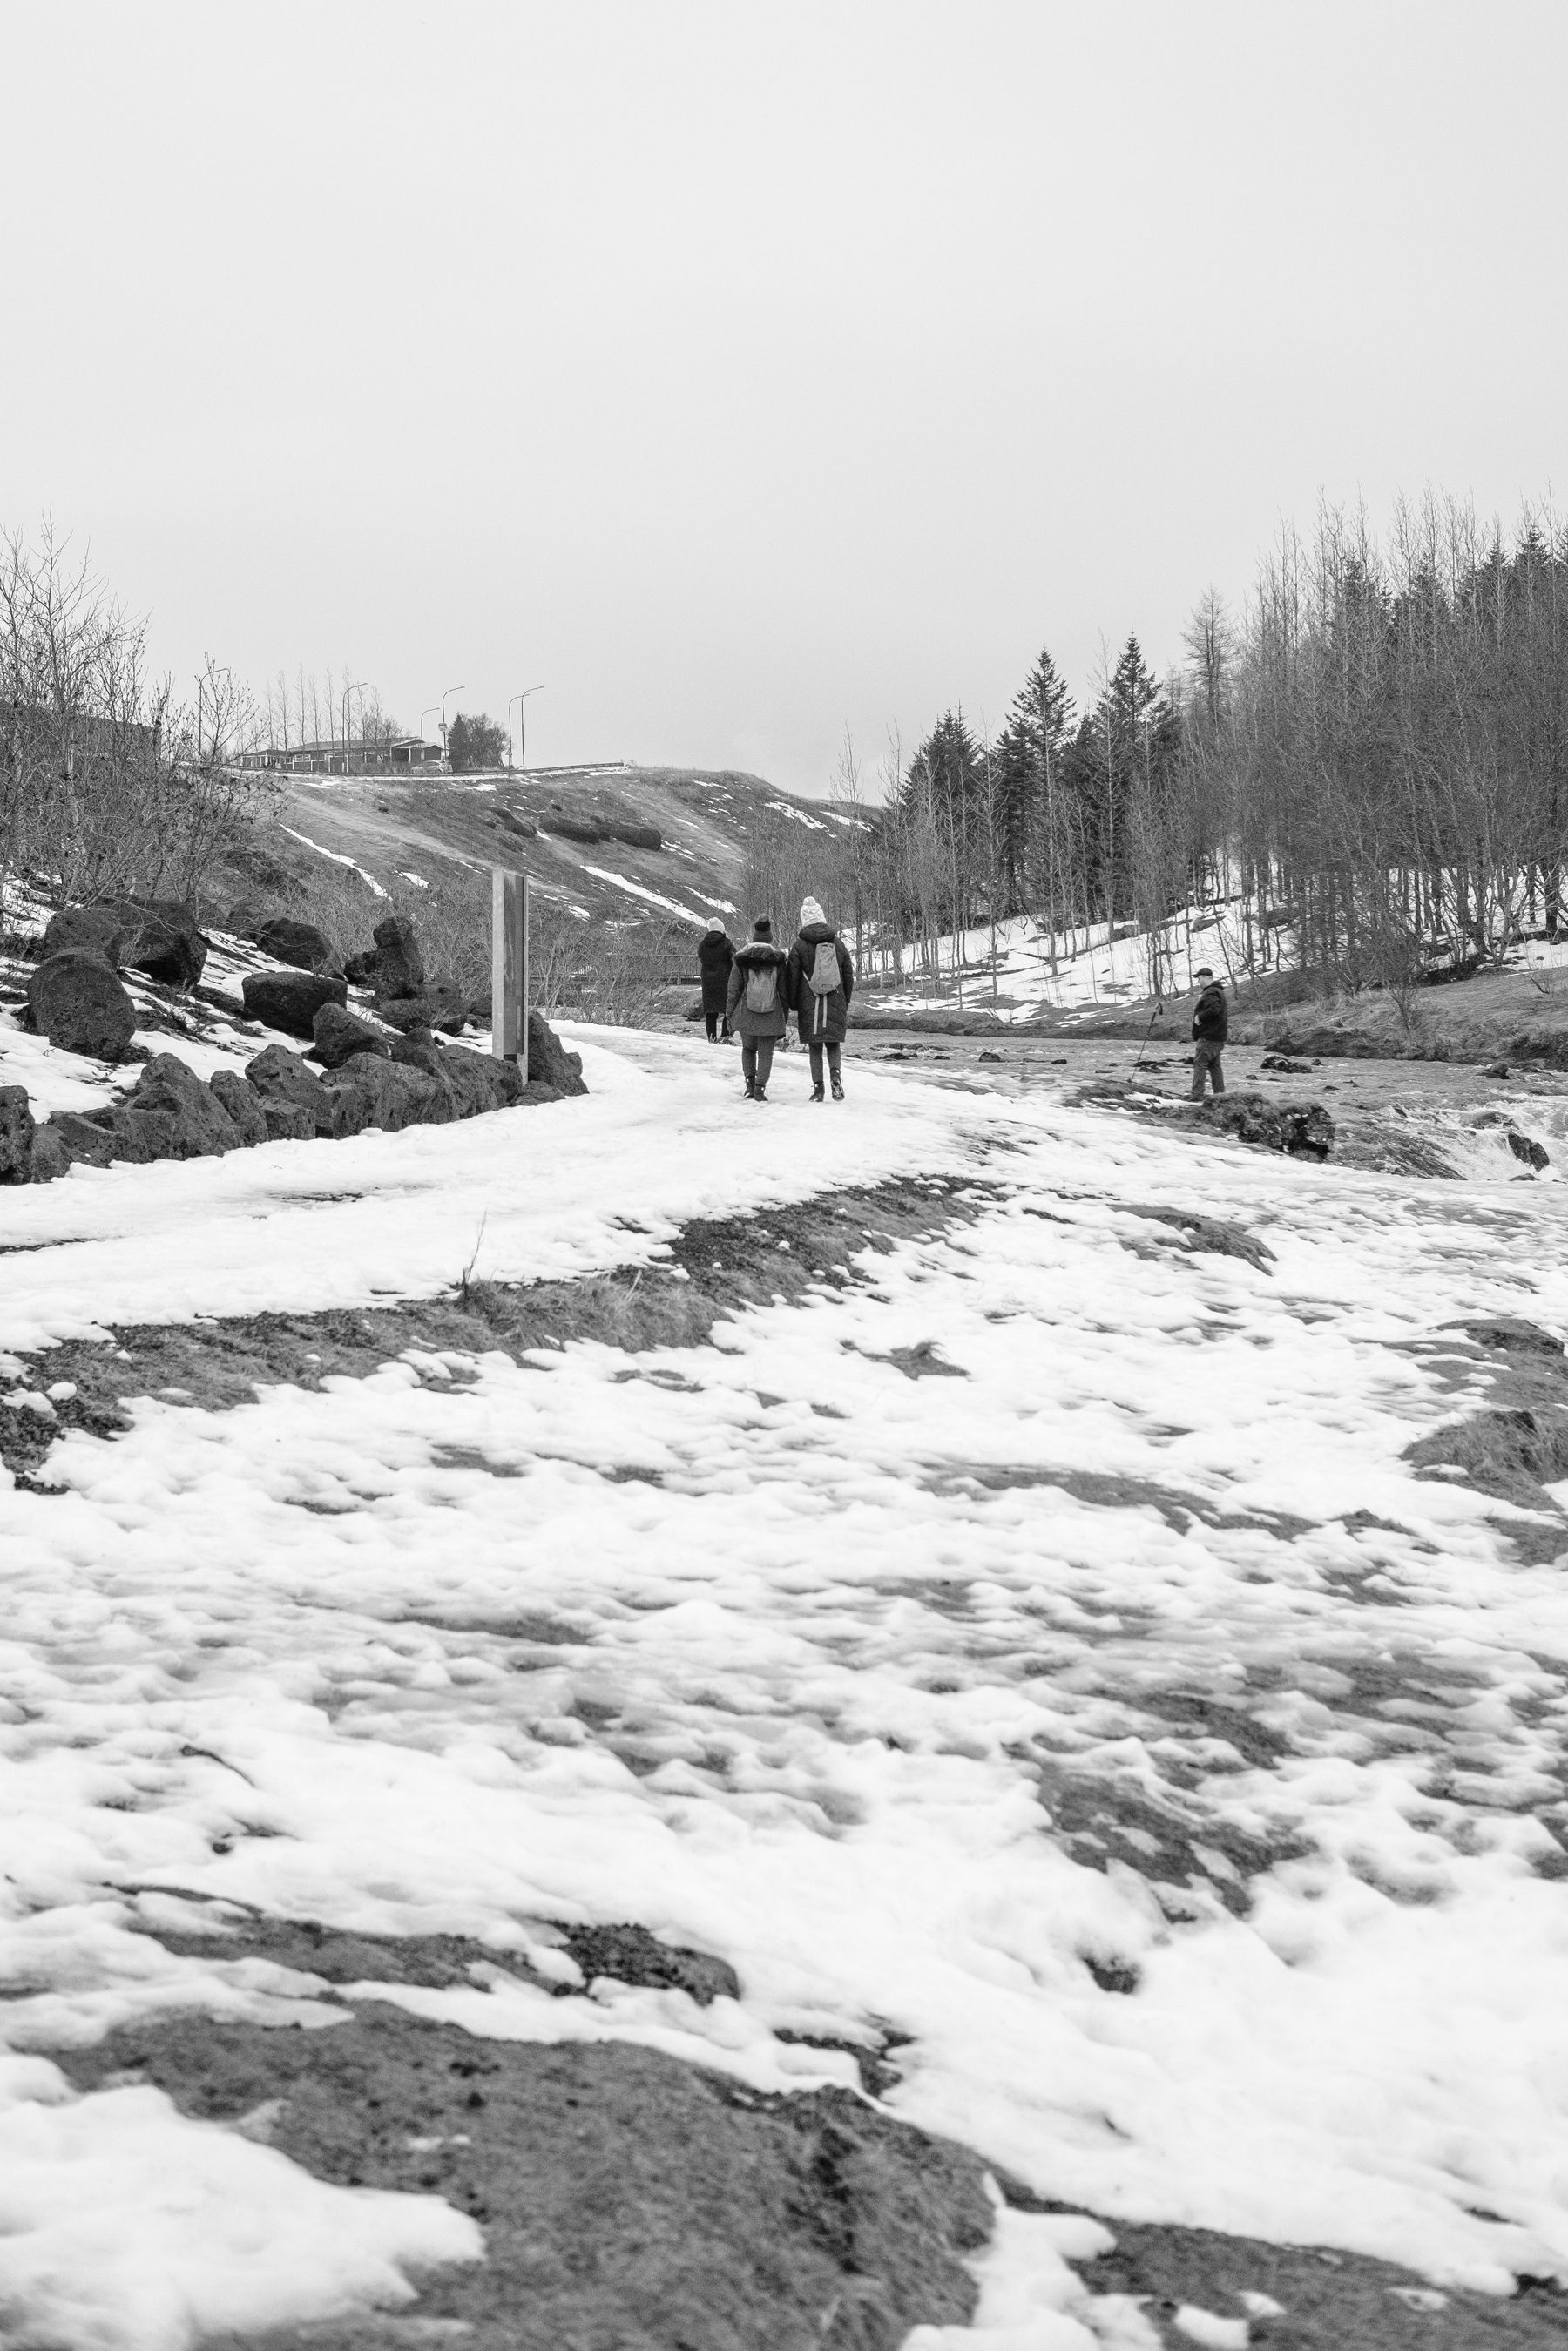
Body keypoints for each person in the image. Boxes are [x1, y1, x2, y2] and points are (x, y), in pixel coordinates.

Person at [787, 896, 855, 1101]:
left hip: (810, 1001)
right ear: (822, 917)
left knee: (815, 1047)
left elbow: (793, 977)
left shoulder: (799, 946)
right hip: (836, 998)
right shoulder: (838, 943)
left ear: (804, 920)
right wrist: (845, 1000)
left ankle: (818, 1090)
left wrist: (793, 1003)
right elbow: (848, 974)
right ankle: (835, 1075)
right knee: (833, 1044)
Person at [725, 915, 789, 1101]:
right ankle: (760, 1088)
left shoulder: (741, 959)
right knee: (766, 1052)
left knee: (748, 1049)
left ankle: (749, 1085)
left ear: (754, 937)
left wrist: (729, 1014)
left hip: (746, 1013)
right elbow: (783, 992)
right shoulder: (778, 960)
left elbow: (733, 990)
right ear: (770, 939)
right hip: (771, 1013)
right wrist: (783, 1014)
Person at [1190, 964, 1228, 1098]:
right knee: (1215, 1067)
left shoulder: (1211, 992)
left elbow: (1214, 1009)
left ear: (1206, 977)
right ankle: (1220, 1096)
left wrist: (1199, 1017)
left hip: (1208, 1037)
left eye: (1199, 978)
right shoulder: (1218, 991)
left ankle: (1196, 1095)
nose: (1198, 982)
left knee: (1199, 1064)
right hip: (1218, 1038)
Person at [697, 916, 734, 1043]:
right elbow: (735, 960)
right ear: (721, 929)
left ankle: (711, 1039)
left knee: (711, 1013)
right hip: (725, 981)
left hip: (708, 983)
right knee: (728, 1011)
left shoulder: (702, 944)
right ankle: (725, 1036)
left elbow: (701, 958)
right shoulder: (727, 943)